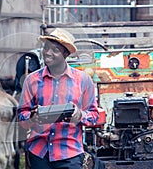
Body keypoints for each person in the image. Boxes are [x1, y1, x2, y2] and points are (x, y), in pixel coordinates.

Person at [17, 28, 99, 169]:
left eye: (55, 50)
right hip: (39, 152)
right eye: (46, 48)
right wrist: (32, 117)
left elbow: (94, 115)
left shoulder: (83, 80)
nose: (48, 53)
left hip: (69, 153)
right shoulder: (31, 80)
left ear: (66, 54)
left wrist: (79, 115)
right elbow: (21, 116)